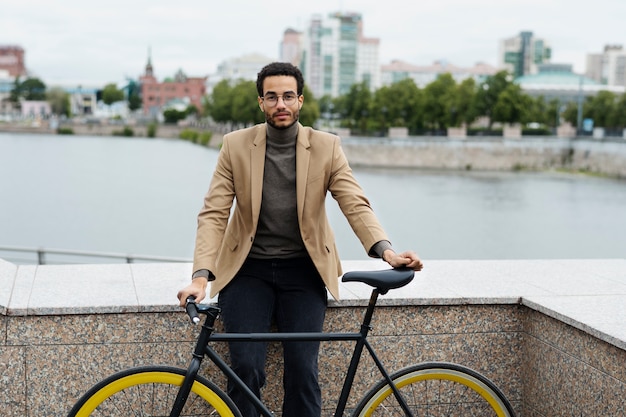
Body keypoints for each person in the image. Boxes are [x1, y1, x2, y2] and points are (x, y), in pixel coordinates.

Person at [177, 62, 423, 417]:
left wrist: (387, 252)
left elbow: (354, 202)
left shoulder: (326, 146)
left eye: (288, 96)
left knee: (303, 371)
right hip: (248, 271)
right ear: (261, 102)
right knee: (245, 368)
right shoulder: (235, 146)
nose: (281, 104)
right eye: (272, 96)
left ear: (300, 100)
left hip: (304, 271)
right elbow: (214, 213)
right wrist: (201, 276)